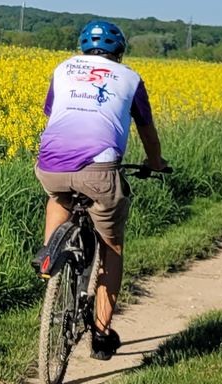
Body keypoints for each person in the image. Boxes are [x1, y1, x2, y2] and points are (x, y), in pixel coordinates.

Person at [31, 19, 168, 360]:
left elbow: (53, 112)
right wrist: (156, 163)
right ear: (119, 52)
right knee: (112, 246)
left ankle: (51, 255)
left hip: (50, 165)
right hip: (100, 171)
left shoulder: (63, 69)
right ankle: (102, 335)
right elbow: (147, 132)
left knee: (59, 196)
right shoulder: (130, 78)